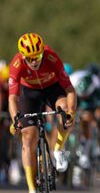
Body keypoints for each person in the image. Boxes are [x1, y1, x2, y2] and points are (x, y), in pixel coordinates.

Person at [8, 33, 76, 193]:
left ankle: (59, 149)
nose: (34, 62)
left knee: (65, 111)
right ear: (23, 56)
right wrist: (15, 120)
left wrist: (71, 112)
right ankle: (32, 188)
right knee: (28, 138)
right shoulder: (16, 64)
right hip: (29, 94)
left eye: (37, 56)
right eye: (30, 58)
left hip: (52, 89)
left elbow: (70, 89)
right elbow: (12, 98)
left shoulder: (51, 57)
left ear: (42, 52)